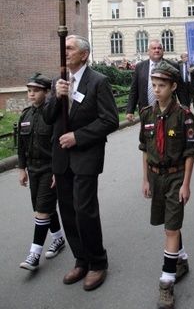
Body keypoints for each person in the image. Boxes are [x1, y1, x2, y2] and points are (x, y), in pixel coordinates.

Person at [43, 35, 119, 291]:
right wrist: (56, 96)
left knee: (85, 210)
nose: (65, 52)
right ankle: (80, 259)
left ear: (84, 55)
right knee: (68, 210)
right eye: (63, 48)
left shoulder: (98, 81)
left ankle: (98, 263)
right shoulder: (58, 81)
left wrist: (78, 136)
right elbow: (47, 117)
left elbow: (110, 120)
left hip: (86, 155)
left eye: (70, 48)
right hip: (61, 158)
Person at [139, 61, 194, 309]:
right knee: (168, 223)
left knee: (170, 230)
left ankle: (166, 283)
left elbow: (190, 152)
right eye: (153, 85)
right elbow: (144, 149)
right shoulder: (147, 114)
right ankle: (181, 259)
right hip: (155, 177)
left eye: (161, 85)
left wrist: (186, 184)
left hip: (176, 177)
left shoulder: (184, 116)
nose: (156, 90)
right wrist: (144, 179)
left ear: (173, 86)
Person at [18, 73, 65, 271]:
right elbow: (20, 144)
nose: (31, 94)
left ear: (47, 92)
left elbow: (58, 144)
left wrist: (57, 170)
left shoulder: (52, 114)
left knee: (42, 210)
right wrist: (22, 168)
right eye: (29, 91)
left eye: (36, 91)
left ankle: (34, 254)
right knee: (42, 207)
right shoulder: (25, 115)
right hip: (33, 168)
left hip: (48, 168)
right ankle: (58, 238)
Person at [126, 39, 189, 122]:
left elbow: (181, 90)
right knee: (148, 134)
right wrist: (130, 111)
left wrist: (186, 110)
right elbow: (134, 90)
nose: (157, 50)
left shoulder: (173, 66)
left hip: (169, 112)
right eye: (154, 48)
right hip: (146, 112)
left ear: (162, 50)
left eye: (159, 48)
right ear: (148, 51)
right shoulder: (140, 67)